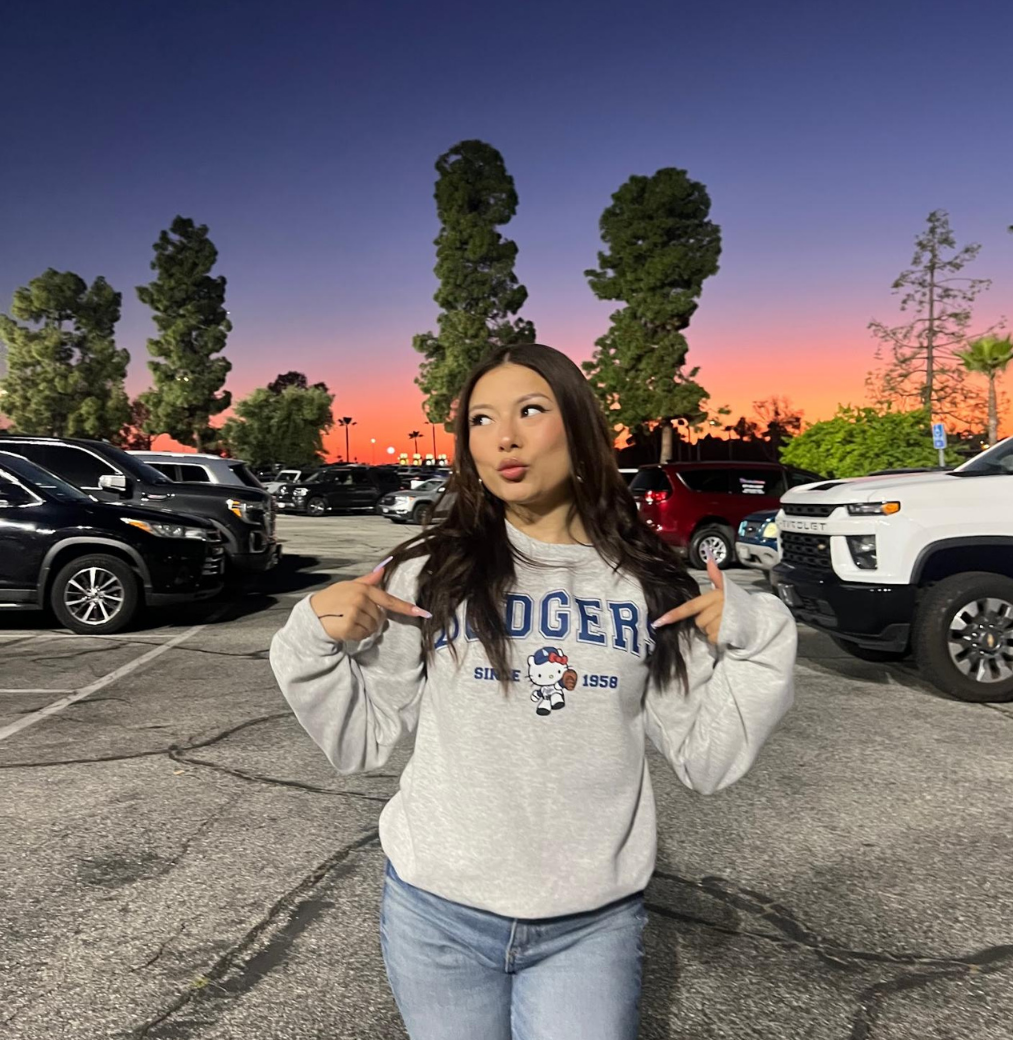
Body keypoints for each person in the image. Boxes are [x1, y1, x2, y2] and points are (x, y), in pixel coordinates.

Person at [270, 343, 797, 1040]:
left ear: (580, 434)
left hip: (589, 928)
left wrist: (759, 638)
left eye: (529, 410)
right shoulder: (430, 572)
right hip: (435, 916)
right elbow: (360, 740)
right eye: (481, 421)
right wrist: (311, 636)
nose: (505, 437)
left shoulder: (650, 588)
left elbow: (709, 758)